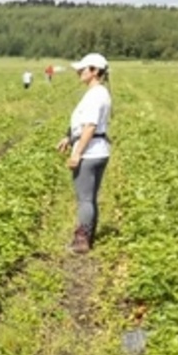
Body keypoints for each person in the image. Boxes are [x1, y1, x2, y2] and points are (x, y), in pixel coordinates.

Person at [55, 52, 112, 255]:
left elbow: (89, 127)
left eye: (83, 69)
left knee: (85, 199)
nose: (79, 72)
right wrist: (69, 138)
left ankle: (82, 241)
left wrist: (77, 153)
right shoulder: (101, 93)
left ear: (95, 71)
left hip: (89, 153)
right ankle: (89, 236)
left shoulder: (95, 95)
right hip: (99, 150)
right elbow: (83, 126)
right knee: (90, 198)